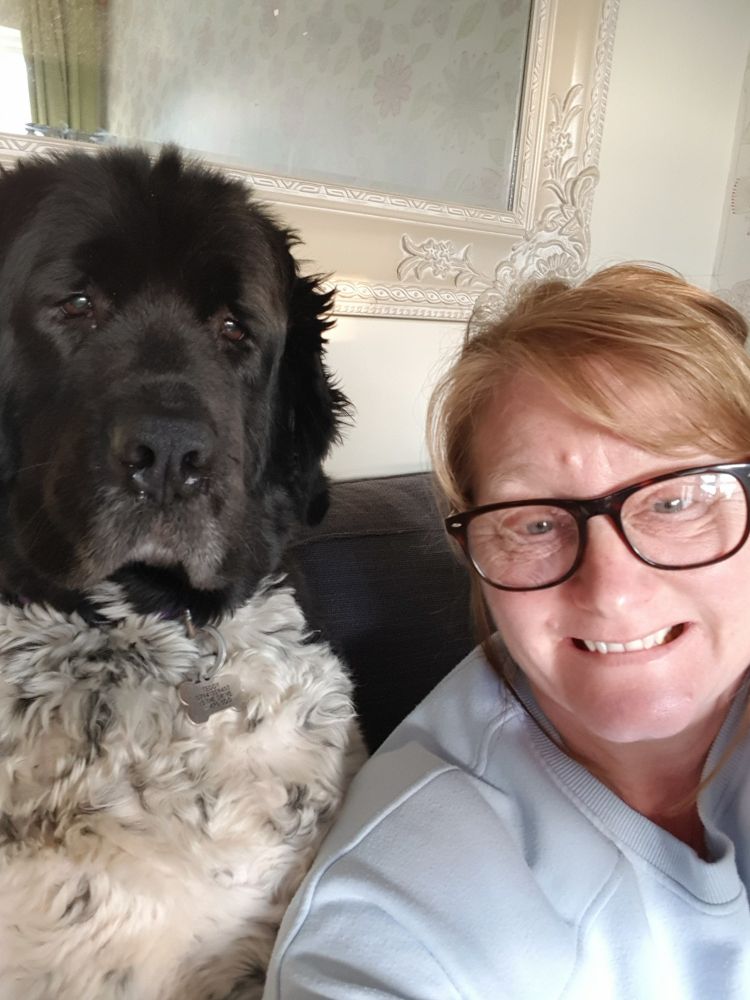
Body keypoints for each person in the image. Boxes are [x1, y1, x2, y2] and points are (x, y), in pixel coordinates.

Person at [263, 264, 750, 999]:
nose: (613, 592)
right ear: (470, 551)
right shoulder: (399, 907)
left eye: (675, 501)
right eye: (536, 523)